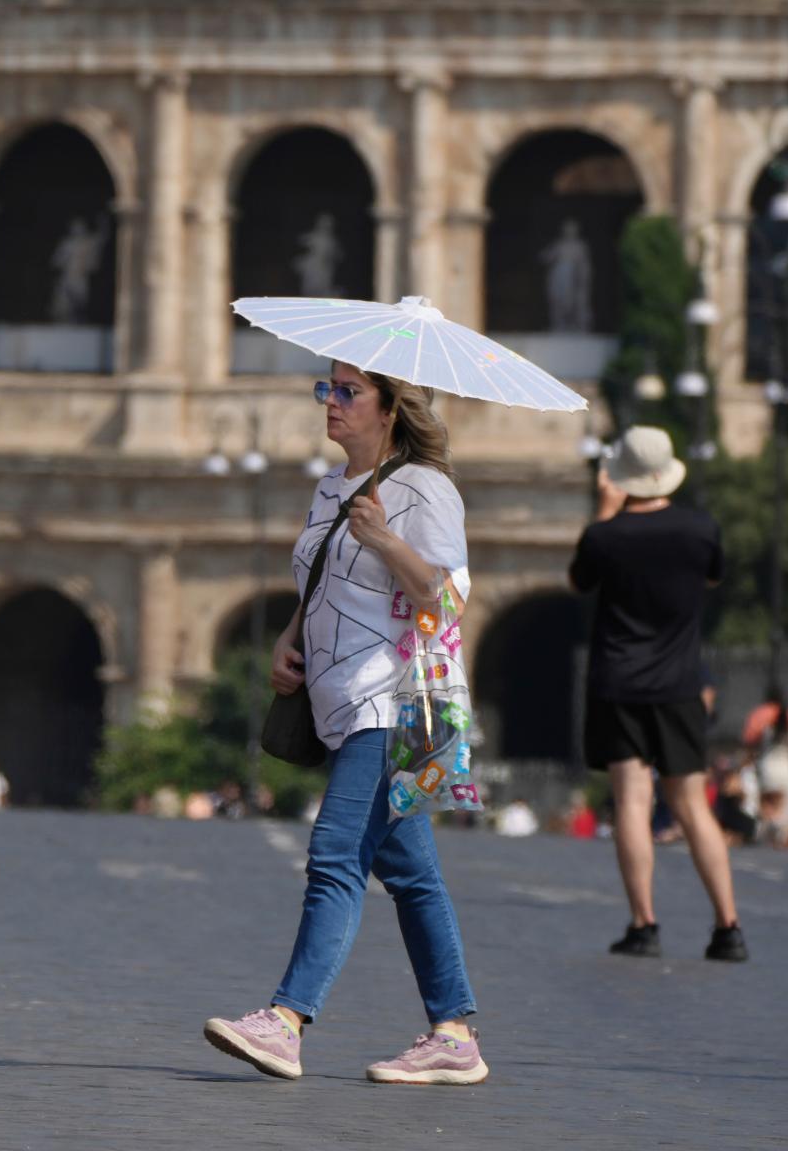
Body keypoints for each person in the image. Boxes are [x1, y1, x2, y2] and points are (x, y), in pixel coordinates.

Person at [205, 362, 488, 1086]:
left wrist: (388, 539)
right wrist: (287, 638)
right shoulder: (331, 487)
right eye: (325, 389)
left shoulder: (425, 488)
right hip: (338, 699)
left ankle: (287, 1020)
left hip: (393, 701)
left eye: (348, 391)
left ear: (390, 408)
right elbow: (322, 579)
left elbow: (447, 601)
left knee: (336, 855)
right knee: (410, 871)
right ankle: (453, 1032)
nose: (330, 402)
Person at [569, 426, 746, 962]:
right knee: (693, 806)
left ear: (621, 477)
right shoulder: (700, 529)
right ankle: (728, 927)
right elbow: (712, 581)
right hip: (680, 684)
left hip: (619, 683)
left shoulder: (606, 536)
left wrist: (606, 512)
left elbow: (581, 582)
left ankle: (644, 923)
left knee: (632, 800)